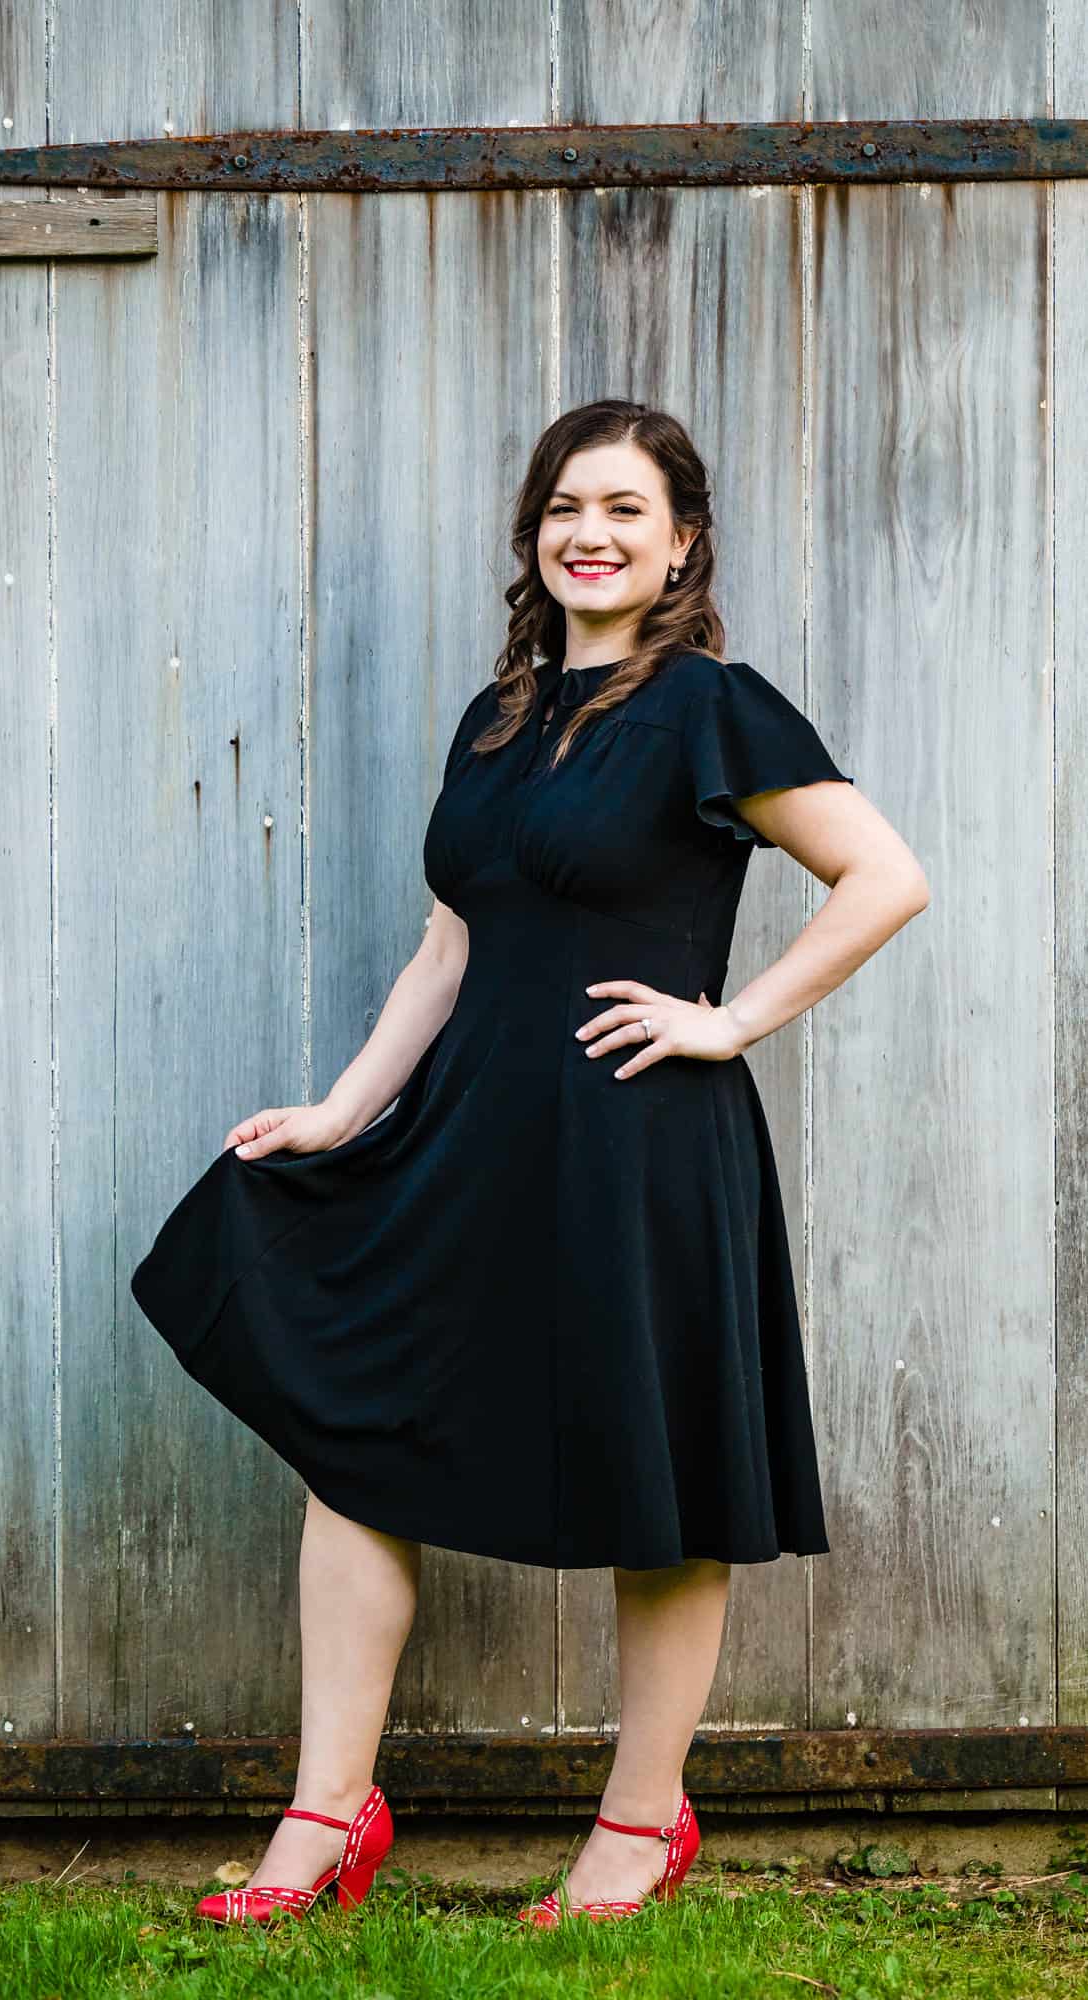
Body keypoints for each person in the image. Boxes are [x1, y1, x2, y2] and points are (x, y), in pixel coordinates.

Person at [131, 400, 930, 1927]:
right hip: (472, 1137)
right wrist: (343, 1112)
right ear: (534, 533)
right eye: (567, 506)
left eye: (628, 509)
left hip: (636, 1144)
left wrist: (730, 1020)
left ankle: (638, 1831)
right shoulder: (497, 722)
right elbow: (454, 942)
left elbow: (885, 877)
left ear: (683, 540)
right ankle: (325, 1817)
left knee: (668, 1473)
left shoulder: (712, 707)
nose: (593, 533)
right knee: (356, 1435)